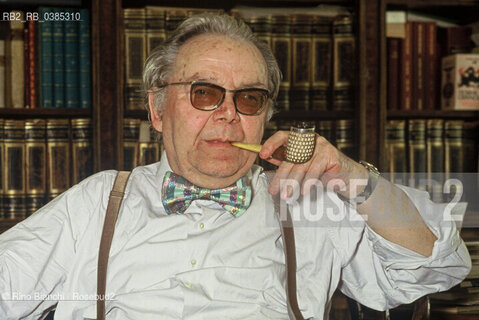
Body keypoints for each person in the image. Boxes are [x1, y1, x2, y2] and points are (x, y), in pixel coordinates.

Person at [0, 13, 471, 319]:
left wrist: (351, 176)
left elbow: (437, 265)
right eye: (204, 92)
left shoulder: (309, 204)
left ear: (264, 116)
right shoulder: (99, 201)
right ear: (159, 110)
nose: (228, 114)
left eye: (249, 98)